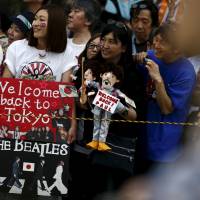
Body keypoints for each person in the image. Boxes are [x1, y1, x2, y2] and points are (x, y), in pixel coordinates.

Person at [69, 22, 145, 200]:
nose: (105, 45)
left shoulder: (133, 75)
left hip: (117, 149)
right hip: (88, 145)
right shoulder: (89, 67)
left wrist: (111, 103)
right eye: (103, 40)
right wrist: (86, 99)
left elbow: (135, 116)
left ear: (124, 47)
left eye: (112, 41)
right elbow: (75, 98)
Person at [3, 4, 77, 144]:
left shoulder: (67, 52)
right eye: (35, 19)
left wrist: (72, 122)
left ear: (55, 25)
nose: (35, 23)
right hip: (18, 117)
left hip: (49, 121)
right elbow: (5, 86)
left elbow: (67, 90)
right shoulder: (17, 47)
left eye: (41, 20)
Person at [139, 22, 196, 170]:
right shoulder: (151, 56)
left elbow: (166, 108)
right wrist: (137, 57)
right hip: (142, 139)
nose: (156, 45)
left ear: (177, 49)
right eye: (156, 40)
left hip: (164, 147)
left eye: (162, 43)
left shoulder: (186, 73)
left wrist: (158, 79)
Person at [66, 0, 102, 74]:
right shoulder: (62, 43)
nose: (70, 14)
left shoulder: (93, 50)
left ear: (89, 20)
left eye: (76, 11)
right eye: (70, 11)